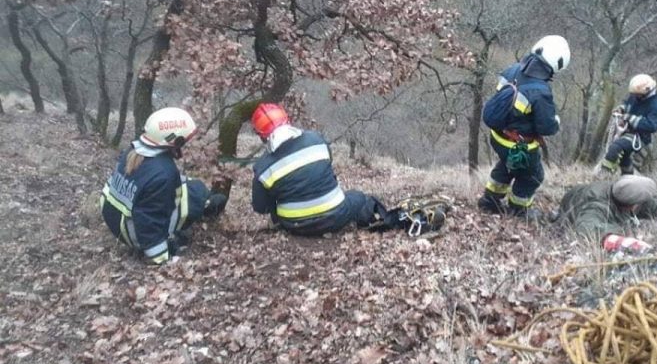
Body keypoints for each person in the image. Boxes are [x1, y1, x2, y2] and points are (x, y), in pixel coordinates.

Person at [250, 103, 447, 237]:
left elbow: (260, 208)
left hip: (293, 226)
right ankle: (393, 221)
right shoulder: (316, 140)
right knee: (361, 198)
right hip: (335, 215)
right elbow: (327, 171)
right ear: (288, 120)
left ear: (261, 136)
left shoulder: (262, 167)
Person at [101, 107, 228, 264]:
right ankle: (207, 205)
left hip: (115, 218)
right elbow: (148, 219)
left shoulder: (134, 150)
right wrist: (163, 257)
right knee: (193, 196)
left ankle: (206, 200)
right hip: (132, 231)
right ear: (174, 140)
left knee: (192, 185)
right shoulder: (163, 172)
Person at [477, 34, 570, 220]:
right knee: (532, 175)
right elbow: (547, 127)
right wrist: (556, 122)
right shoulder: (540, 91)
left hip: (497, 137)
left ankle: (490, 201)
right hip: (519, 146)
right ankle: (518, 209)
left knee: (506, 165)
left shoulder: (511, 70)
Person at [556, 174, 657, 243]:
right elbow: (586, 226)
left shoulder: (625, 194)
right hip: (571, 203)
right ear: (632, 205)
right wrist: (619, 238)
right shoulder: (598, 206)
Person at [600, 74, 657, 175]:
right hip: (625, 131)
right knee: (622, 156)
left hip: (639, 138)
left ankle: (604, 174)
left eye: (638, 94)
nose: (635, 96)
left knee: (615, 148)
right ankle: (628, 175)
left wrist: (630, 118)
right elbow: (628, 104)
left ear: (647, 91)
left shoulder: (655, 106)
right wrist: (622, 109)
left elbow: (652, 126)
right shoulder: (636, 96)